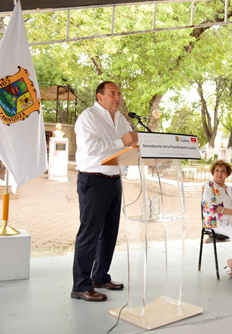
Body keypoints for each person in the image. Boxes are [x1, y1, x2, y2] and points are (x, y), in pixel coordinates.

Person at [71, 81, 138, 302]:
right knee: (89, 234)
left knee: (109, 232)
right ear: (100, 97)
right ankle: (81, 286)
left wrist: (135, 143)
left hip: (113, 180)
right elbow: (92, 147)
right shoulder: (88, 117)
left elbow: (131, 142)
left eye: (119, 93)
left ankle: (100, 276)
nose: (117, 98)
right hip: (93, 180)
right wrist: (122, 141)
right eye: (112, 94)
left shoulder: (120, 119)